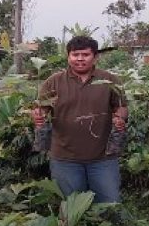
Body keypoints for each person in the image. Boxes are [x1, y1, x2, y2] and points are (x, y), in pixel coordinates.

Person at [32, 36, 128, 203]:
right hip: (65, 158)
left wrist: (120, 117)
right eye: (75, 55)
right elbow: (41, 109)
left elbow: (121, 106)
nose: (80, 59)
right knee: (71, 207)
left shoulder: (110, 80)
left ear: (95, 57)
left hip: (103, 158)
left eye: (85, 54)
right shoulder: (54, 82)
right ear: (68, 56)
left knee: (109, 204)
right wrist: (38, 117)